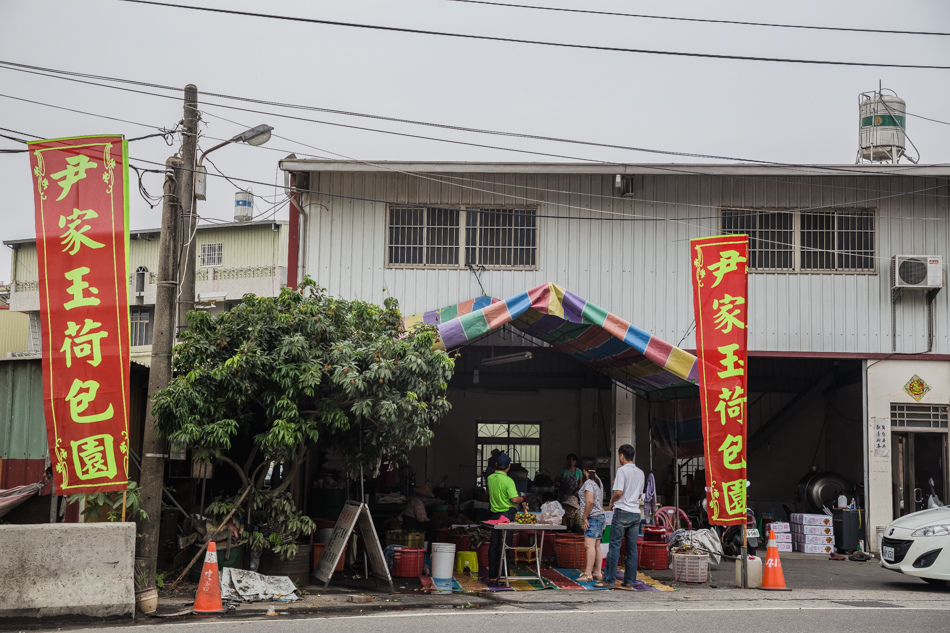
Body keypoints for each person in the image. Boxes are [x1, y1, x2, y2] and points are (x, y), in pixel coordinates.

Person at [600, 444, 645, 590]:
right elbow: (639, 495)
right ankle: (629, 582)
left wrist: (611, 501)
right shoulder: (640, 472)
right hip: (635, 513)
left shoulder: (621, 471)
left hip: (622, 512)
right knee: (632, 549)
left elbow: (619, 492)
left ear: (621, 456)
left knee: (615, 547)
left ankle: (609, 580)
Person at [487, 452, 524, 585]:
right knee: (505, 545)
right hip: (506, 515)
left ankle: (492, 574)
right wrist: (523, 499)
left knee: (494, 545)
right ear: (509, 466)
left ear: (496, 464)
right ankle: (503, 574)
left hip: (494, 514)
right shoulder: (508, 480)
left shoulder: (490, 478)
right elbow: (514, 499)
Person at [577, 458, 606, 583]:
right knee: (597, 545)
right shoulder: (598, 480)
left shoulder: (589, 483)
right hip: (600, 516)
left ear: (584, 471)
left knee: (589, 546)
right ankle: (597, 572)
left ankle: (588, 573)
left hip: (592, 517)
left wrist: (584, 517)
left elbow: (589, 501)